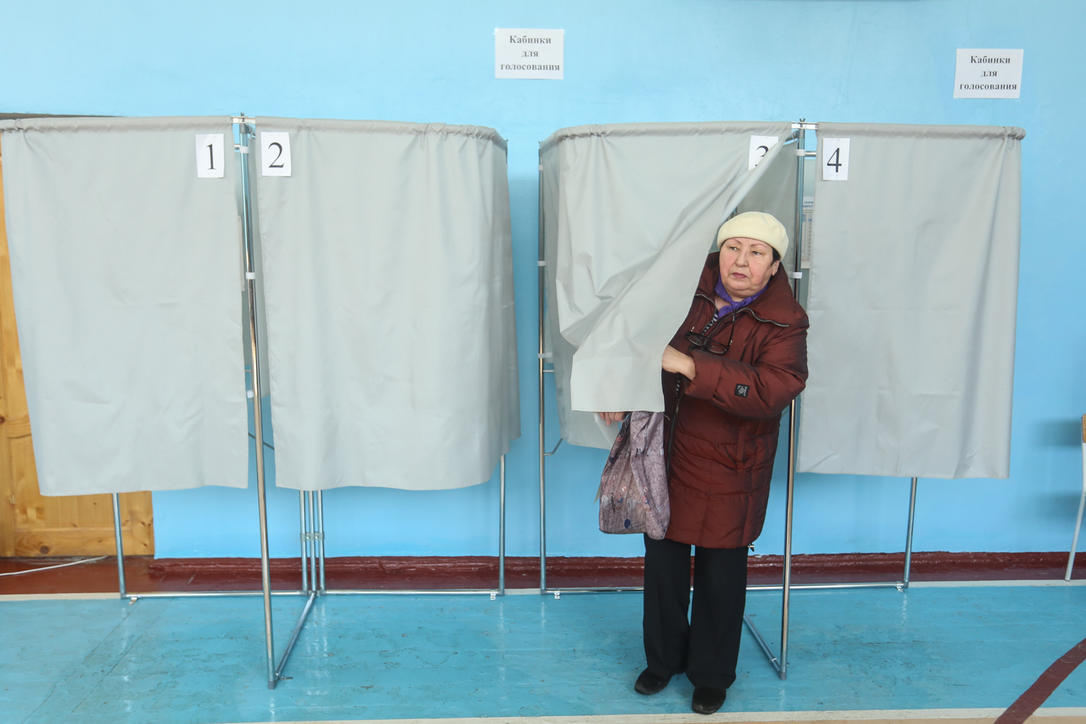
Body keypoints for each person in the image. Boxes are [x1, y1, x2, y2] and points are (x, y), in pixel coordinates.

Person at [600, 211, 808, 715]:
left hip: (731, 465)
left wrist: (691, 365)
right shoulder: (682, 288)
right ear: (719, 252)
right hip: (666, 453)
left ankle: (712, 676)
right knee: (663, 568)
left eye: (757, 252)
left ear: (774, 266)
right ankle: (662, 661)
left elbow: (773, 389)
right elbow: (635, 340)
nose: (741, 260)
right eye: (733, 247)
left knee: (721, 576)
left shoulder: (786, 321)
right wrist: (621, 390)